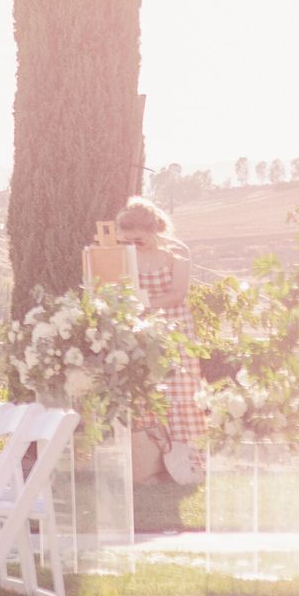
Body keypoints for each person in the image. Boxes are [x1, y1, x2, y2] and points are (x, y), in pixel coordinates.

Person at [110, 196, 206, 486]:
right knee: (147, 395)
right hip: (143, 334)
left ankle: (189, 462)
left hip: (176, 331)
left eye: (138, 238)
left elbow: (178, 293)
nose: (133, 243)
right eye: (128, 238)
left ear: (154, 230)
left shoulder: (177, 251)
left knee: (182, 394)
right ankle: (152, 462)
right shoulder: (124, 253)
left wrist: (144, 303)